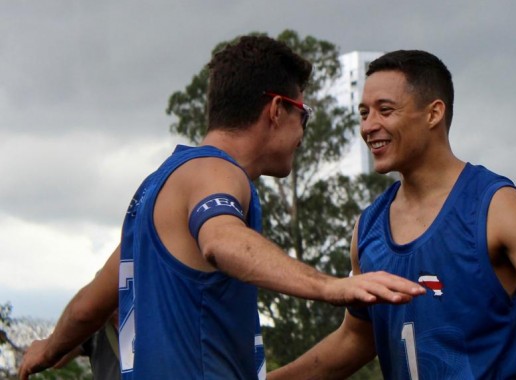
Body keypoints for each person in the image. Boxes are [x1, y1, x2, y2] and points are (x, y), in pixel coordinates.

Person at [18, 36, 425, 380]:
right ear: (276, 110)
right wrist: (330, 286)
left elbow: (91, 305)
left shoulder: (155, 189)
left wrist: (48, 349)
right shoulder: (218, 172)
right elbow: (220, 238)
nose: (303, 131)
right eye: (303, 115)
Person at [268, 50, 516, 379]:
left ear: (434, 113)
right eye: (364, 113)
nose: (368, 126)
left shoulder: (497, 207)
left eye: (385, 110)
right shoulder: (368, 226)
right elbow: (356, 339)